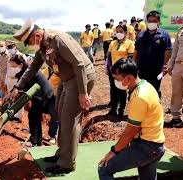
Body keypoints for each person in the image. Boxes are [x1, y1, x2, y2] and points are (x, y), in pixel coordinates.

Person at [11, 19, 96, 174]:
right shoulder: (43, 47)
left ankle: (67, 163)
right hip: (66, 79)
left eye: (29, 41)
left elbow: (79, 64)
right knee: (60, 114)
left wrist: (83, 93)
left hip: (81, 78)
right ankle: (62, 154)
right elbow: (32, 68)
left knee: (70, 120)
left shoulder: (57, 39)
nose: (30, 45)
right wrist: (18, 86)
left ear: (36, 34)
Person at [98, 58, 165, 180]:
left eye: (117, 79)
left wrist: (114, 151)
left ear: (128, 78)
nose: (115, 82)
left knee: (104, 168)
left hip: (146, 147)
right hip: (155, 145)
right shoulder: (146, 85)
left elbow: (130, 132)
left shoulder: (139, 97)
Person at [8, 54, 56, 146]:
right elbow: (18, 87)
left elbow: (20, 88)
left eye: (14, 66)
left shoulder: (28, 72)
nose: (12, 69)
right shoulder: (24, 72)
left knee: (33, 115)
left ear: (20, 65)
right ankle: (36, 140)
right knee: (34, 116)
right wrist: (10, 94)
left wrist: (14, 95)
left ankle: (35, 141)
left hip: (43, 95)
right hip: (38, 95)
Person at [135, 11, 172, 98]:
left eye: (154, 21)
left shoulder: (164, 35)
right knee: (141, 90)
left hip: (156, 69)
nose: (151, 23)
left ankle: (154, 109)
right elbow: (136, 50)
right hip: (142, 68)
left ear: (158, 22)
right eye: (149, 21)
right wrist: (134, 64)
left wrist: (165, 65)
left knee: (154, 90)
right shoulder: (141, 35)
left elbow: (168, 51)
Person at [105, 25, 135, 120]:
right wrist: (108, 68)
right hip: (112, 71)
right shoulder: (112, 43)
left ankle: (120, 111)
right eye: (117, 31)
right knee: (113, 90)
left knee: (122, 91)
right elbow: (109, 57)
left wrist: (125, 71)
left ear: (125, 32)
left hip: (123, 73)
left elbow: (130, 58)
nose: (119, 33)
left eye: (121, 31)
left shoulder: (130, 43)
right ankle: (113, 109)